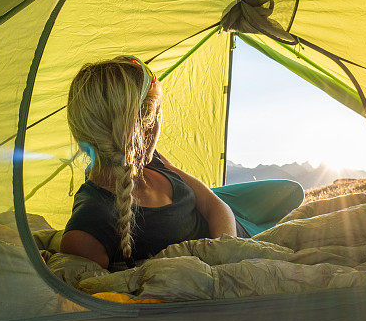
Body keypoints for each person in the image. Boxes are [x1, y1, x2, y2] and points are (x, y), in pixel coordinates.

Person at [60, 56, 248, 270]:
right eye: (158, 114)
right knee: (289, 194)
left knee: (290, 189)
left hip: (229, 216)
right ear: (146, 126)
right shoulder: (88, 228)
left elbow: (212, 204)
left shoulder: (148, 159)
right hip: (238, 230)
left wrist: (227, 249)